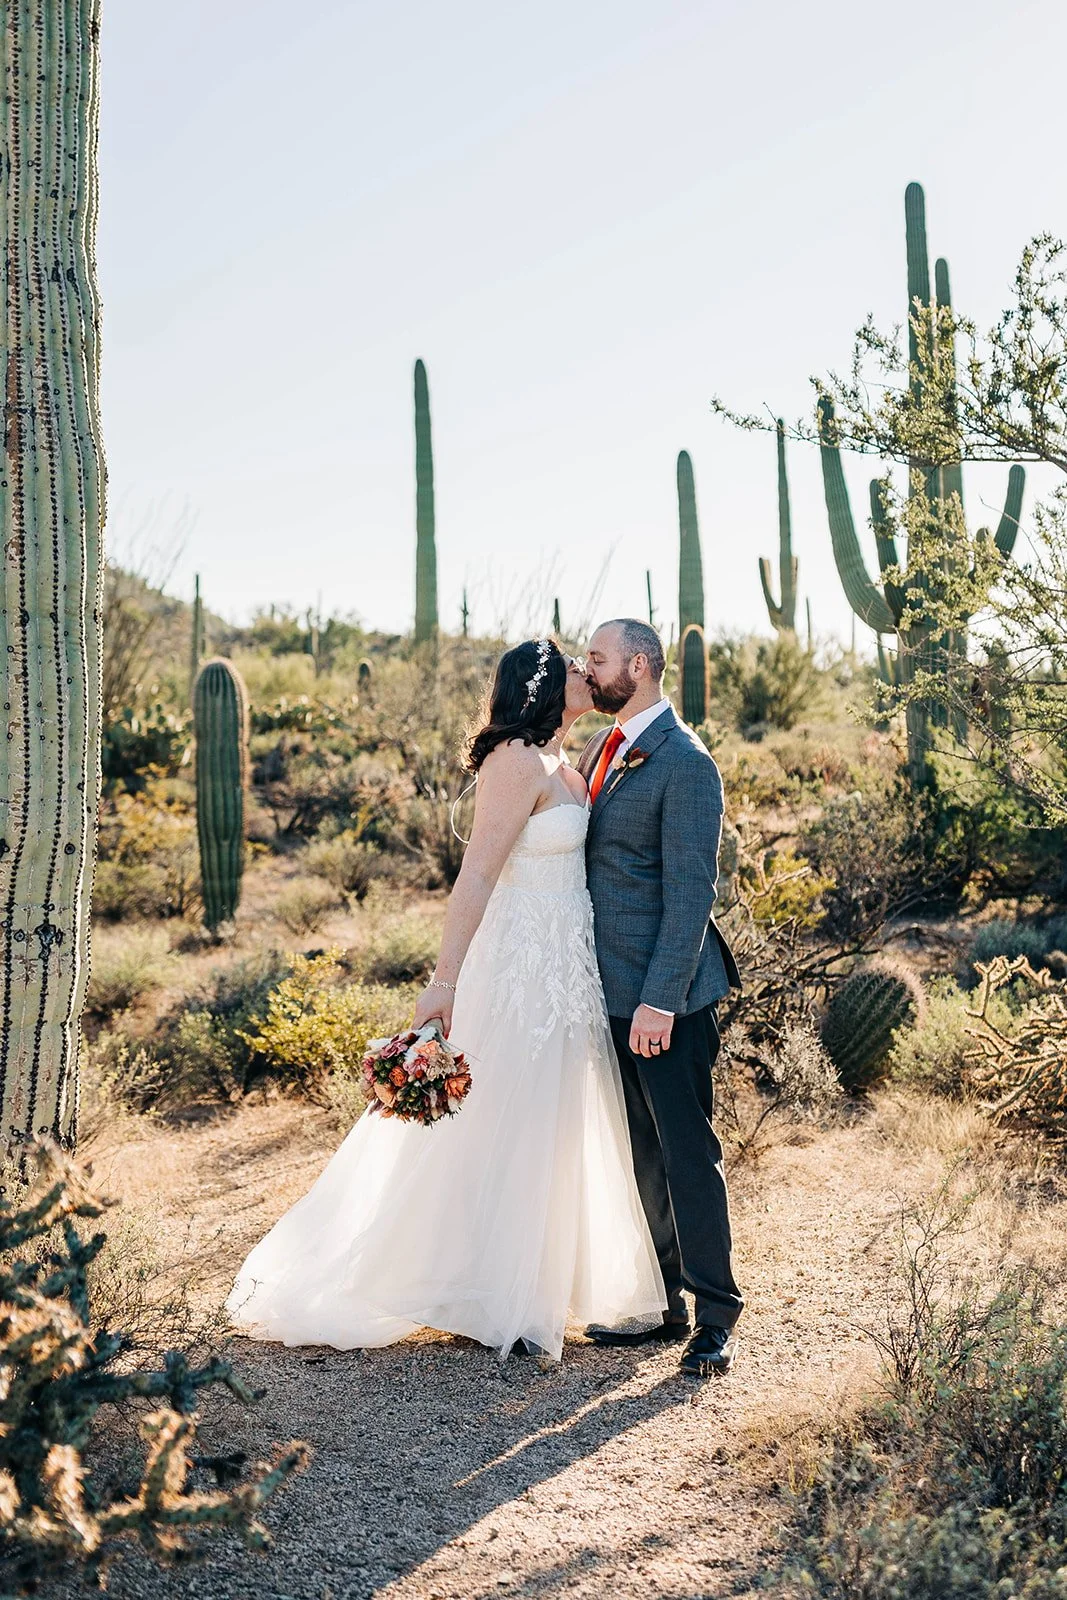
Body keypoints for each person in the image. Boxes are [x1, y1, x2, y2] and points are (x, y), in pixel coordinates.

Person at [226, 639, 666, 1361]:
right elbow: (476, 878)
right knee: (503, 1120)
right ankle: (493, 1294)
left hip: (567, 969)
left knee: (551, 1123)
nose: (591, 676)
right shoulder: (515, 763)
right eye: (579, 669)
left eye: (595, 666)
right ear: (550, 688)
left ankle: (534, 1287)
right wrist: (444, 980)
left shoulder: (567, 763)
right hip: (518, 967)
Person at [578, 618, 743, 1377]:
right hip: (610, 992)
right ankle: (664, 1303)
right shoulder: (605, 749)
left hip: (665, 997)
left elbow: (688, 897)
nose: (590, 669)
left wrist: (658, 1003)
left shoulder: (685, 762)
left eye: (599, 658)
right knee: (640, 1153)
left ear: (638, 666)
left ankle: (716, 1316)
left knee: (685, 1154)